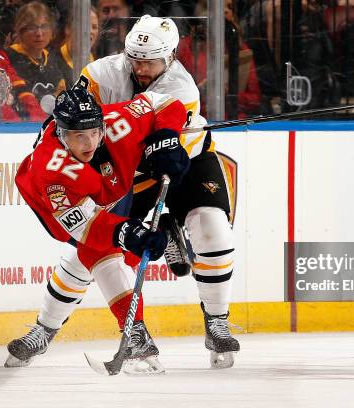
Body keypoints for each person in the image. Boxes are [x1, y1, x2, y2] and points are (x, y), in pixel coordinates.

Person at [75, 15, 240, 369]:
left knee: (212, 228)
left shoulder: (182, 87)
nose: (141, 68)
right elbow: (72, 119)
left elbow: (166, 146)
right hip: (130, 170)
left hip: (189, 159)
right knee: (105, 246)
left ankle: (216, 321)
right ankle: (164, 229)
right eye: (135, 59)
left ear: (171, 56)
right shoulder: (101, 73)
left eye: (150, 61)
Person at [6, 87, 189, 372]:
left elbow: (161, 101)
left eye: (94, 132)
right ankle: (135, 336)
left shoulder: (118, 122)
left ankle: (44, 331)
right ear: (62, 136)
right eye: (79, 135)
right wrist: (129, 234)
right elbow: (87, 227)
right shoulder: (51, 168)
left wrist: (166, 137)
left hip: (111, 189)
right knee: (95, 252)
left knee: (90, 256)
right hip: (58, 205)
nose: (89, 141)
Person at [5, 1, 69, 114]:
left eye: (44, 26)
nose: (39, 33)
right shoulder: (10, 56)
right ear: (20, 30)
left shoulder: (53, 59)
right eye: (32, 28)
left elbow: (62, 93)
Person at [57, 5, 99, 83]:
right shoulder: (54, 63)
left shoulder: (99, 63)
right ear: (68, 29)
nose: (90, 31)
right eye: (84, 26)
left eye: (94, 27)